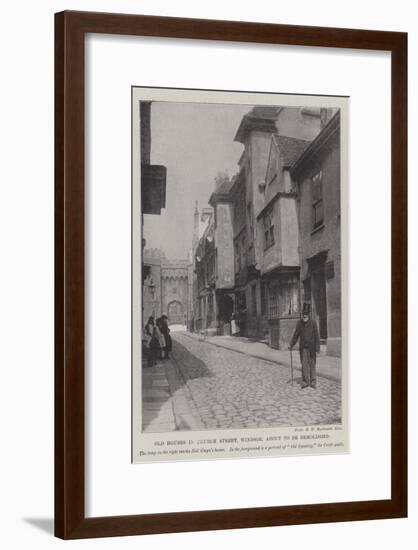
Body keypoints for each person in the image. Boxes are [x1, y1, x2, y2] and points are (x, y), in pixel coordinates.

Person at [289, 302, 320, 389]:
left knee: (312, 364)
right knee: (304, 364)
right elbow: (296, 335)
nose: (304, 316)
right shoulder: (300, 323)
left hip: (312, 347)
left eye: (306, 314)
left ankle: (313, 381)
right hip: (303, 348)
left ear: (309, 314)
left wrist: (318, 348)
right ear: (301, 315)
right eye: (303, 314)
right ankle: (305, 381)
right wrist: (291, 344)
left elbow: (317, 336)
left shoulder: (313, 323)